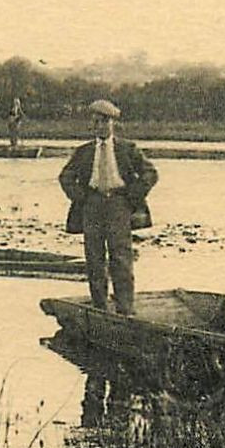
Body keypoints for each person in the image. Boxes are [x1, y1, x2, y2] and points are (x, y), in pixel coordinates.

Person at [57, 100, 158, 315]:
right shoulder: (83, 152)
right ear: (92, 125)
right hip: (91, 205)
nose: (100, 126)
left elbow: (150, 173)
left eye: (105, 121)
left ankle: (125, 309)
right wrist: (80, 198)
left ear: (113, 124)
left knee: (121, 257)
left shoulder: (127, 149)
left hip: (118, 205)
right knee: (94, 258)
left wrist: (132, 197)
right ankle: (100, 307)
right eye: (96, 122)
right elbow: (65, 176)